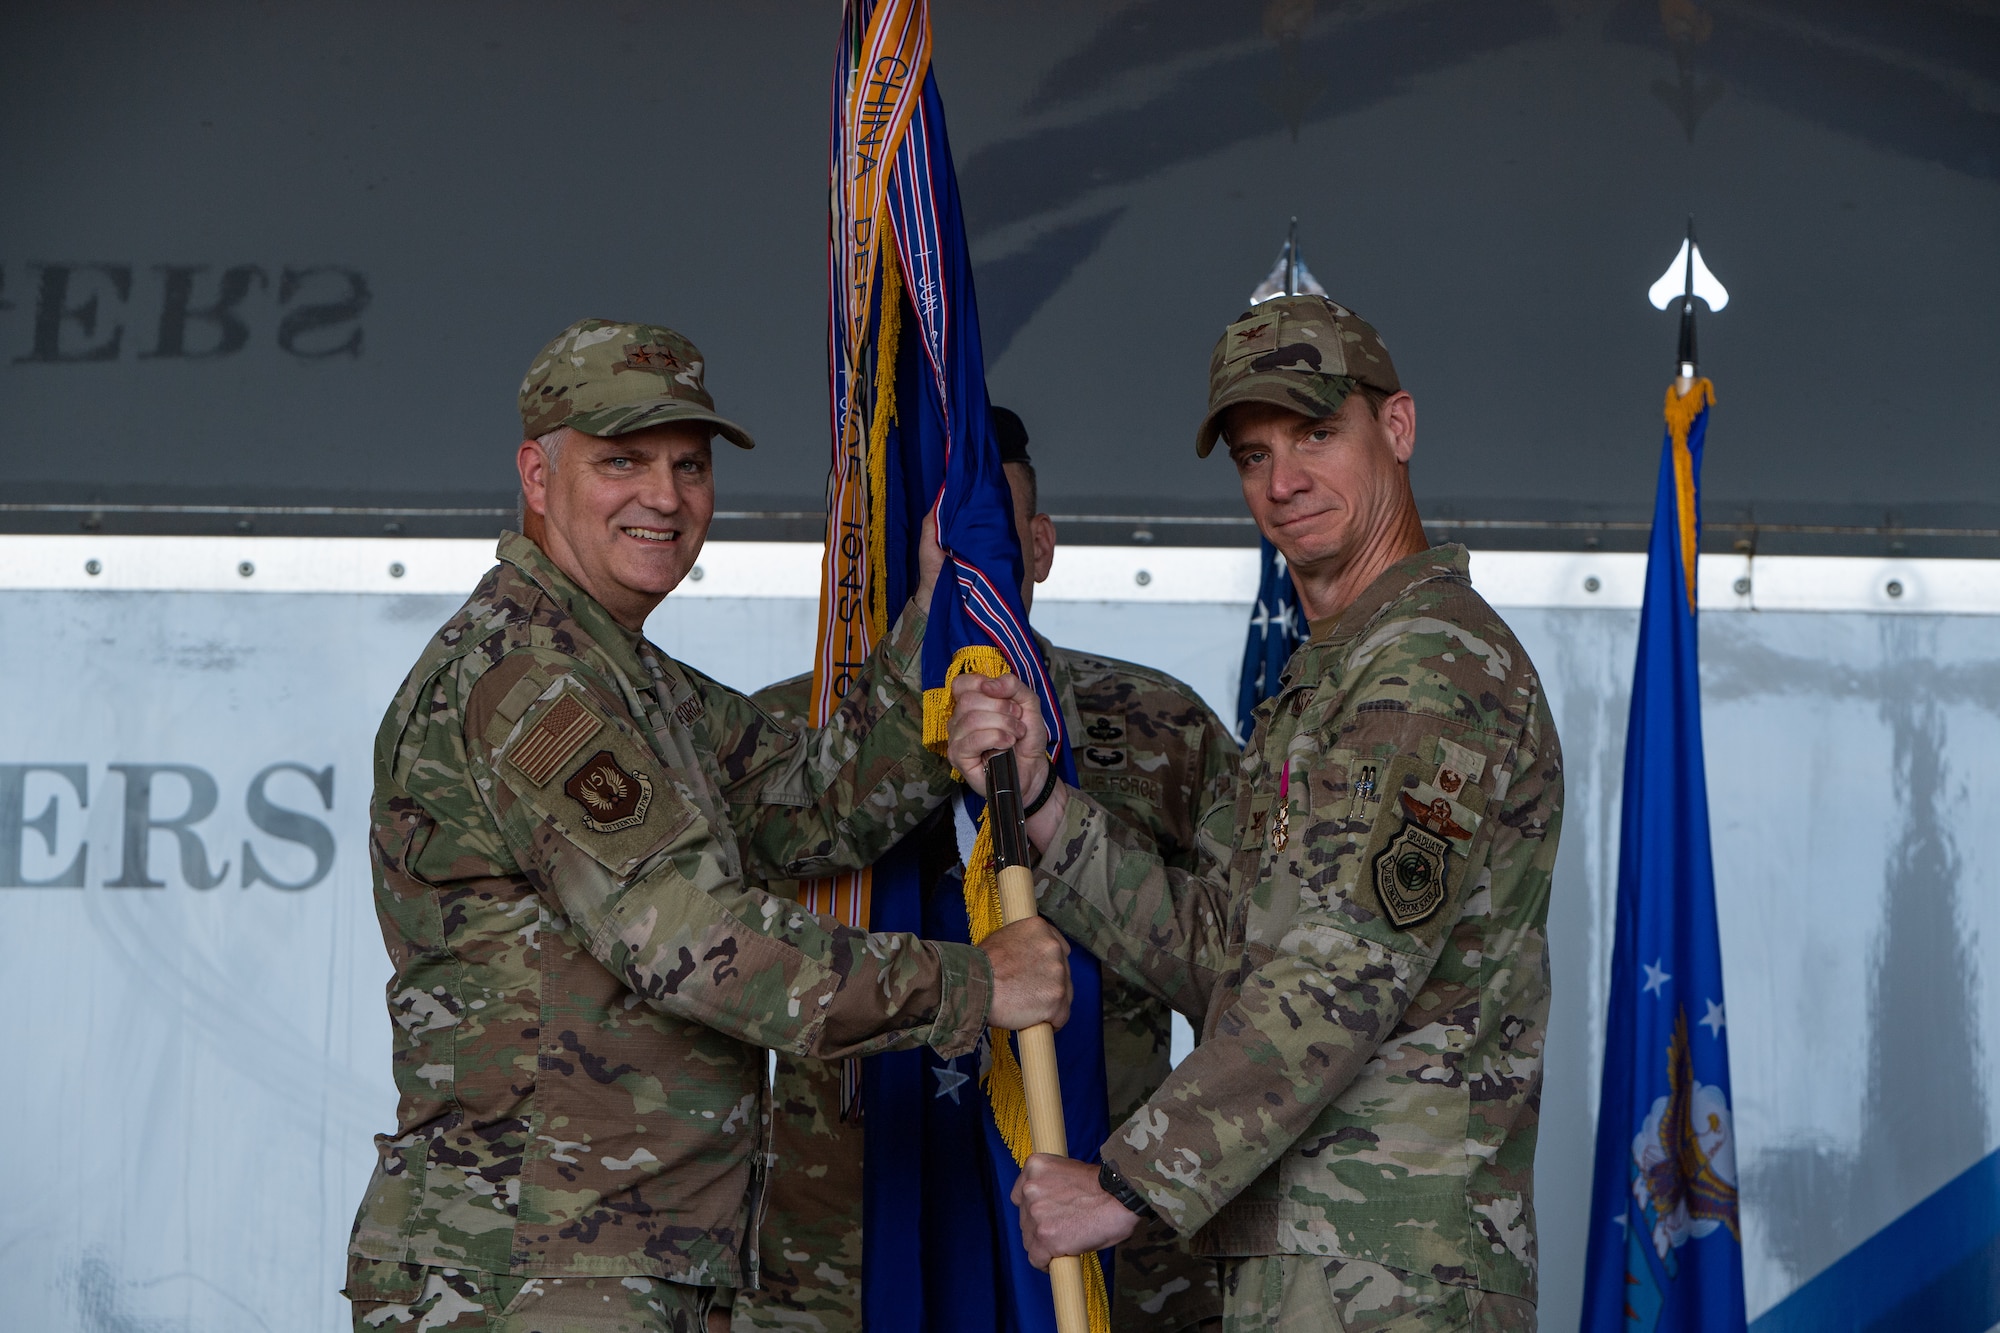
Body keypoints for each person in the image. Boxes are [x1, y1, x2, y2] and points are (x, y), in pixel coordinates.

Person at [343, 319, 1074, 1333]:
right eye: (622, 461)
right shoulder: (527, 683)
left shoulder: (630, 681)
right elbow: (698, 944)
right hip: (530, 1265)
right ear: (537, 473)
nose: (665, 496)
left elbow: (814, 803)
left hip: (630, 1254)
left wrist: (936, 623)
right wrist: (975, 984)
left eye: (688, 465)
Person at [947, 296, 1565, 1331]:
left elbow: (1340, 972)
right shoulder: (1327, 681)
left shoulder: (1431, 669)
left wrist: (1125, 1180)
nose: (1282, 482)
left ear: (1397, 428)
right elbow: (1227, 956)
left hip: (1390, 1273)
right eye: (1251, 454)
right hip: (1298, 1259)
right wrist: (1048, 806)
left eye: (1317, 434)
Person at [733, 406, 1238, 1333]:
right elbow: (713, 976)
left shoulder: (1165, 729)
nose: (963, 563)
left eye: (987, 533)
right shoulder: (793, 747)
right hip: (832, 1268)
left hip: (1110, 1270)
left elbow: (1255, 977)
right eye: (937, 540)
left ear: (1039, 546)